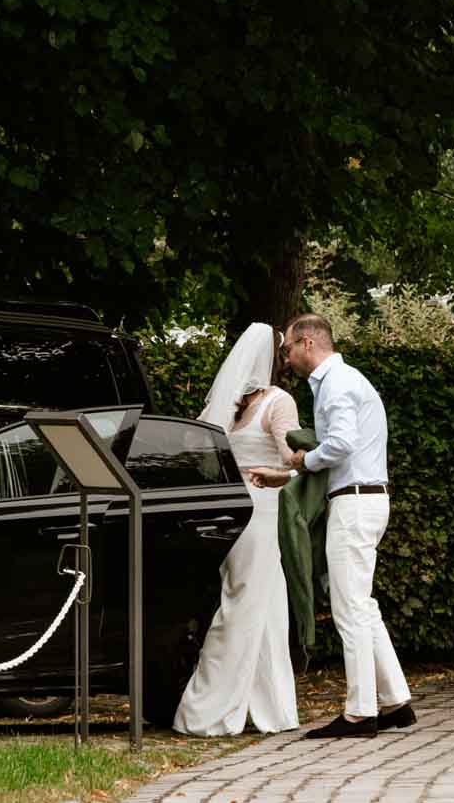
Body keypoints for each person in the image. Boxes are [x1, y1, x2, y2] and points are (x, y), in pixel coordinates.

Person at [253, 314, 414, 738]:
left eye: (287, 349)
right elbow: (341, 458)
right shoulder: (339, 382)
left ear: (307, 343)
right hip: (362, 498)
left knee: (350, 608)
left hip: (356, 504)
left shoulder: (339, 383)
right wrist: (286, 476)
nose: (285, 358)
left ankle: (361, 712)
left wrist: (302, 460)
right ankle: (396, 701)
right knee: (364, 605)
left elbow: (341, 446)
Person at [171, 323, 301, 736]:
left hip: (229, 512)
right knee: (244, 605)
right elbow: (288, 460)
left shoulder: (227, 409)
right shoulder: (279, 402)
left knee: (267, 604)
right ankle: (209, 708)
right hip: (260, 509)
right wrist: (309, 458)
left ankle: (272, 708)